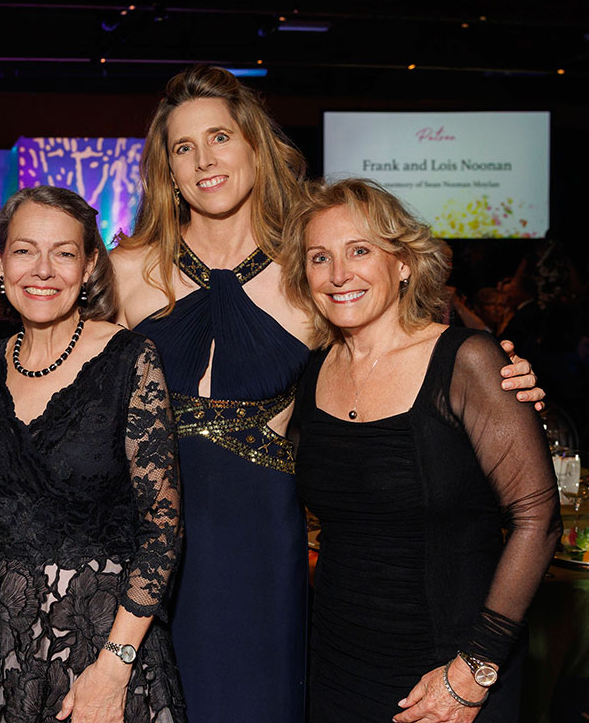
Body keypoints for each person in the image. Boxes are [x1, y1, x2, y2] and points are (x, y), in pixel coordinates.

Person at [108, 65, 546, 722]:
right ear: (166, 170)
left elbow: (416, 356)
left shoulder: (313, 272)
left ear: (255, 146)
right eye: (183, 147)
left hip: (261, 547)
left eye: (221, 137)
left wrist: (508, 375)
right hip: (146, 543)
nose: (205, 159)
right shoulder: (123, 271)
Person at [283, 178, 559, 722]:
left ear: (404, 262)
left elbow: (538, 517)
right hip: (337, 660)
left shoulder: (469, 360)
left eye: (360, 250)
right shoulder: (313, 371)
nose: (339, 274)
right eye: (320, 258)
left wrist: (475, 669)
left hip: (450, 666)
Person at [0, 186, 185, 723]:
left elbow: (162, 531)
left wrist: (115, 665)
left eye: (64, 253)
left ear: (90, 264)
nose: (43, 270)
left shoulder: (129, 361)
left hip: (95, 640)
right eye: (25, 251)